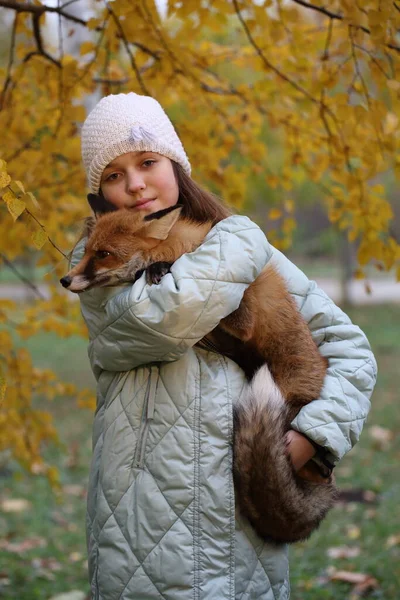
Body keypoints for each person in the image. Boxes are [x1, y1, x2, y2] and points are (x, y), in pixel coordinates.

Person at [70, 93, 377, 600]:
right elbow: (165, 321)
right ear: (100, 195)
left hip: (231, 518)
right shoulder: (98, 267)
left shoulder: (240, 246)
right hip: (136, 522)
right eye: (113, 175)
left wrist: (310, 440)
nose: (135, 184)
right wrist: (239, 242)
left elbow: (350, 350)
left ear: (176, 164)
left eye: (147, 162)